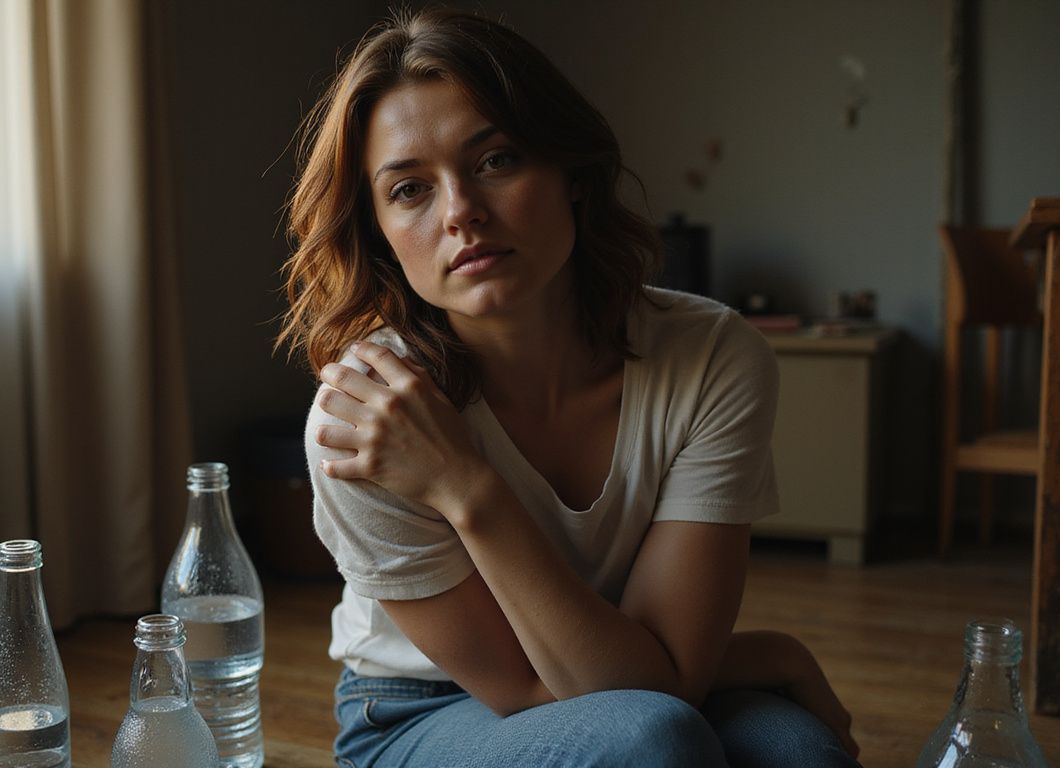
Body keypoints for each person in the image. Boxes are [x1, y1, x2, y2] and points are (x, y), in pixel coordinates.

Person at [278, 9, 861, 767]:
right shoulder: (365, 417)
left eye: (496, 160)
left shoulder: (710, 358)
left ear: (574, 176)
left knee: (801, 754)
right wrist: (466, 488)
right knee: (650, 743)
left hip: (632, 660)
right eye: (411, 190)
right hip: (419, 706)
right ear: (380, 232)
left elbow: (663, 676)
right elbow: (533, 688)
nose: (461, 213)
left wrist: (745, 659)